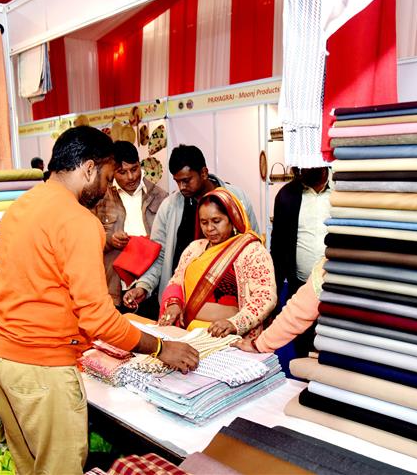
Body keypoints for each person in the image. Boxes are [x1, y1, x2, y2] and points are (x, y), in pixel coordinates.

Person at [0, 126, 198, 475]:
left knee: (29, 468)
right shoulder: (77, 220)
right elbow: (99, 318)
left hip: (3, 361)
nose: (105, 189)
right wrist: (162, 349)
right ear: (88, 168)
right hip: (44, 369)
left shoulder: (21, 206)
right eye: (105, 176)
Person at [123, 144, 258, 310]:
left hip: (230, 304)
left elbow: (253, 247)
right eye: (177, 181)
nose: (181, 187)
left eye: (186, 180)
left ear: (203, 173)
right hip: (181, 303)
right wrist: (144, 286)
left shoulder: (237, 198)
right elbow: (159, 255)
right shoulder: (169, 206)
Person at [158, 188, 276, 339]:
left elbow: (266, 297)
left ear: (232, 219)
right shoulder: (195, 249)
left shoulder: (252, 251)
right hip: (186, 334)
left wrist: (235, 323)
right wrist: (174, 303)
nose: (209, 228)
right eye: (204, 222)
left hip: (229, 336)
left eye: (216, 221)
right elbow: (176, 281)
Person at [92, 141, 167, 318]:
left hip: (151, 287)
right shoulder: (101, 198)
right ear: (112, 170)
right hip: (114, 288)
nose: (131, 177)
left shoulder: (160, 196)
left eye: (134, 169)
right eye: (122, 172)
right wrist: (109, 239)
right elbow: (85, 241)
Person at [269, 166, 330, 356]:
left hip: (338, 290)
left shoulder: (342, 190)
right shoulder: (287, 195)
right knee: (303, 355)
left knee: (334, 354)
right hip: (300, 288)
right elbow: (277, 250)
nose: (300, 170)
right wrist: (274, 298)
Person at [232, 258, 324, 353]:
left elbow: (265, 296)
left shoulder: (254, 253)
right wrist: (260, 344)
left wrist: (236, 324)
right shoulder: (328, 266)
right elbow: (301, 309)